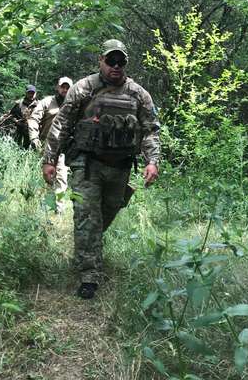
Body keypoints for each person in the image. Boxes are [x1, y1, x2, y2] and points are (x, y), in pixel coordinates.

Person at [41, 39, 161, 299]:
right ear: (101, 61)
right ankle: (89, 275)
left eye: (121, 61)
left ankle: (86, 250)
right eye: (111, 61)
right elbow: (61, 124)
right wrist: (50, 159)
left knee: (104, 216)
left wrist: (152, 161)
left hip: (120, 167)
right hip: (87, 164)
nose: (116, 66)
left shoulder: (138, 94)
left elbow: (150, 130)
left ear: (126, 63)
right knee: (87, 217)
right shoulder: (83, 88)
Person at [28, 76, 73, 214]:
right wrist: (34, 138)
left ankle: (58, 209)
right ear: (57, 87)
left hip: (64, 148)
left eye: (68, 87)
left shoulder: (73, 104)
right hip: (46, 145)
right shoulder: (47, 102)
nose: (65, 89)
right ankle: (46, 207)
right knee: (47, 177)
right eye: (62, 86)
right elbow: (33, 119)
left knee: (61, 178)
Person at [0, 85, 38, 149]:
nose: (31, 95)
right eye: (29, 93)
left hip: (33, 131)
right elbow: (11, 115)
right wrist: (16, 121)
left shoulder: (39, 105)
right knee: (16, 146)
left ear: (35, 93)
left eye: (33, 93)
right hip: (19, 129)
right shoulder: (19, 103)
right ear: (26, 93)